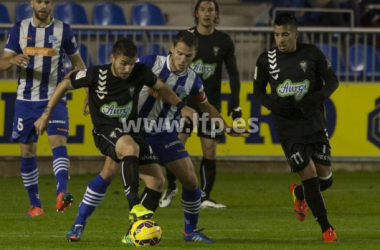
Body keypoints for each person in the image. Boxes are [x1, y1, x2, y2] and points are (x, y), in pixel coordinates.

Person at [33, 37, 196, 242]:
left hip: (129, 129)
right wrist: (46, 114)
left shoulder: (140, 72)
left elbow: (161, 86)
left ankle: (128, 233)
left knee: (157, 180)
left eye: (131, 63)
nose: (127, 68)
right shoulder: (96, 73)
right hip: (104, 131)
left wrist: (181, 106)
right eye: (123, 63)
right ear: (112, 58)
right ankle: (133, 208)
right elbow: (65, 83)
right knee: (130, 148)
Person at [253, 13, 339, 242]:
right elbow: (258, 91)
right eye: (276, 34)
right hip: (287, 127)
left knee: (325, 179)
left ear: (295, 33)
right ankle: (326, 228)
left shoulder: (312, 53)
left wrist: (315, 99)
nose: (280, 40)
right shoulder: (266, 59)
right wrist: (276, 107)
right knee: (309, 175)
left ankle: (299, 193)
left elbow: (333, 80)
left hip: (314, 122)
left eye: (285, 34)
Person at [0, 0, 86, 217]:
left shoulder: (63, 30)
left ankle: (61, 194)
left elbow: (79, 65)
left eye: (47, 2)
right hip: (25, 101)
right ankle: (35, 204)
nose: (43, 6)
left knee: (58, 142)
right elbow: (3, 62)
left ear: (52, 4)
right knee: (28, 150)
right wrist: (13, 60)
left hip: (53, 98)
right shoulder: (19, 28)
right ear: (32, 3)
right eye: (39, 1)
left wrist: (86, 91)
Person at [160, 0, 242, 209]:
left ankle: (204, 197)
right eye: (203, 10)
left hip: (209, 102)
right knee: (175, 145)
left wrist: (236, 102)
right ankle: (171, 187)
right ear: (196, 13)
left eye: (211, 10)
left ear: (217, 14)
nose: (207, 14)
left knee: (210, 149)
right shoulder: (186, 39)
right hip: (183, 102)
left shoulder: (223, 41)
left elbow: (233, 72)